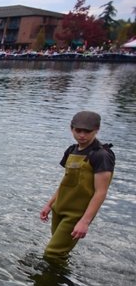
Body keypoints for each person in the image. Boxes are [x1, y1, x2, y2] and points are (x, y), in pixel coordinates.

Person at [40, 111, 115, 260]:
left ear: (97, 130)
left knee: (52, 253)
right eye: (78, 130)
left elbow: (101, 192)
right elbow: (66, 181)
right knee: (59, 253)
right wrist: (50, 204)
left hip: (77, 214)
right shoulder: (71, 150)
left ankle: (49, 283)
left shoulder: (101, 155)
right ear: (71, 128)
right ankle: (61, 281)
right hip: (59, 208)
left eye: (87, 131)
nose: (82, 135)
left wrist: (84, 221)